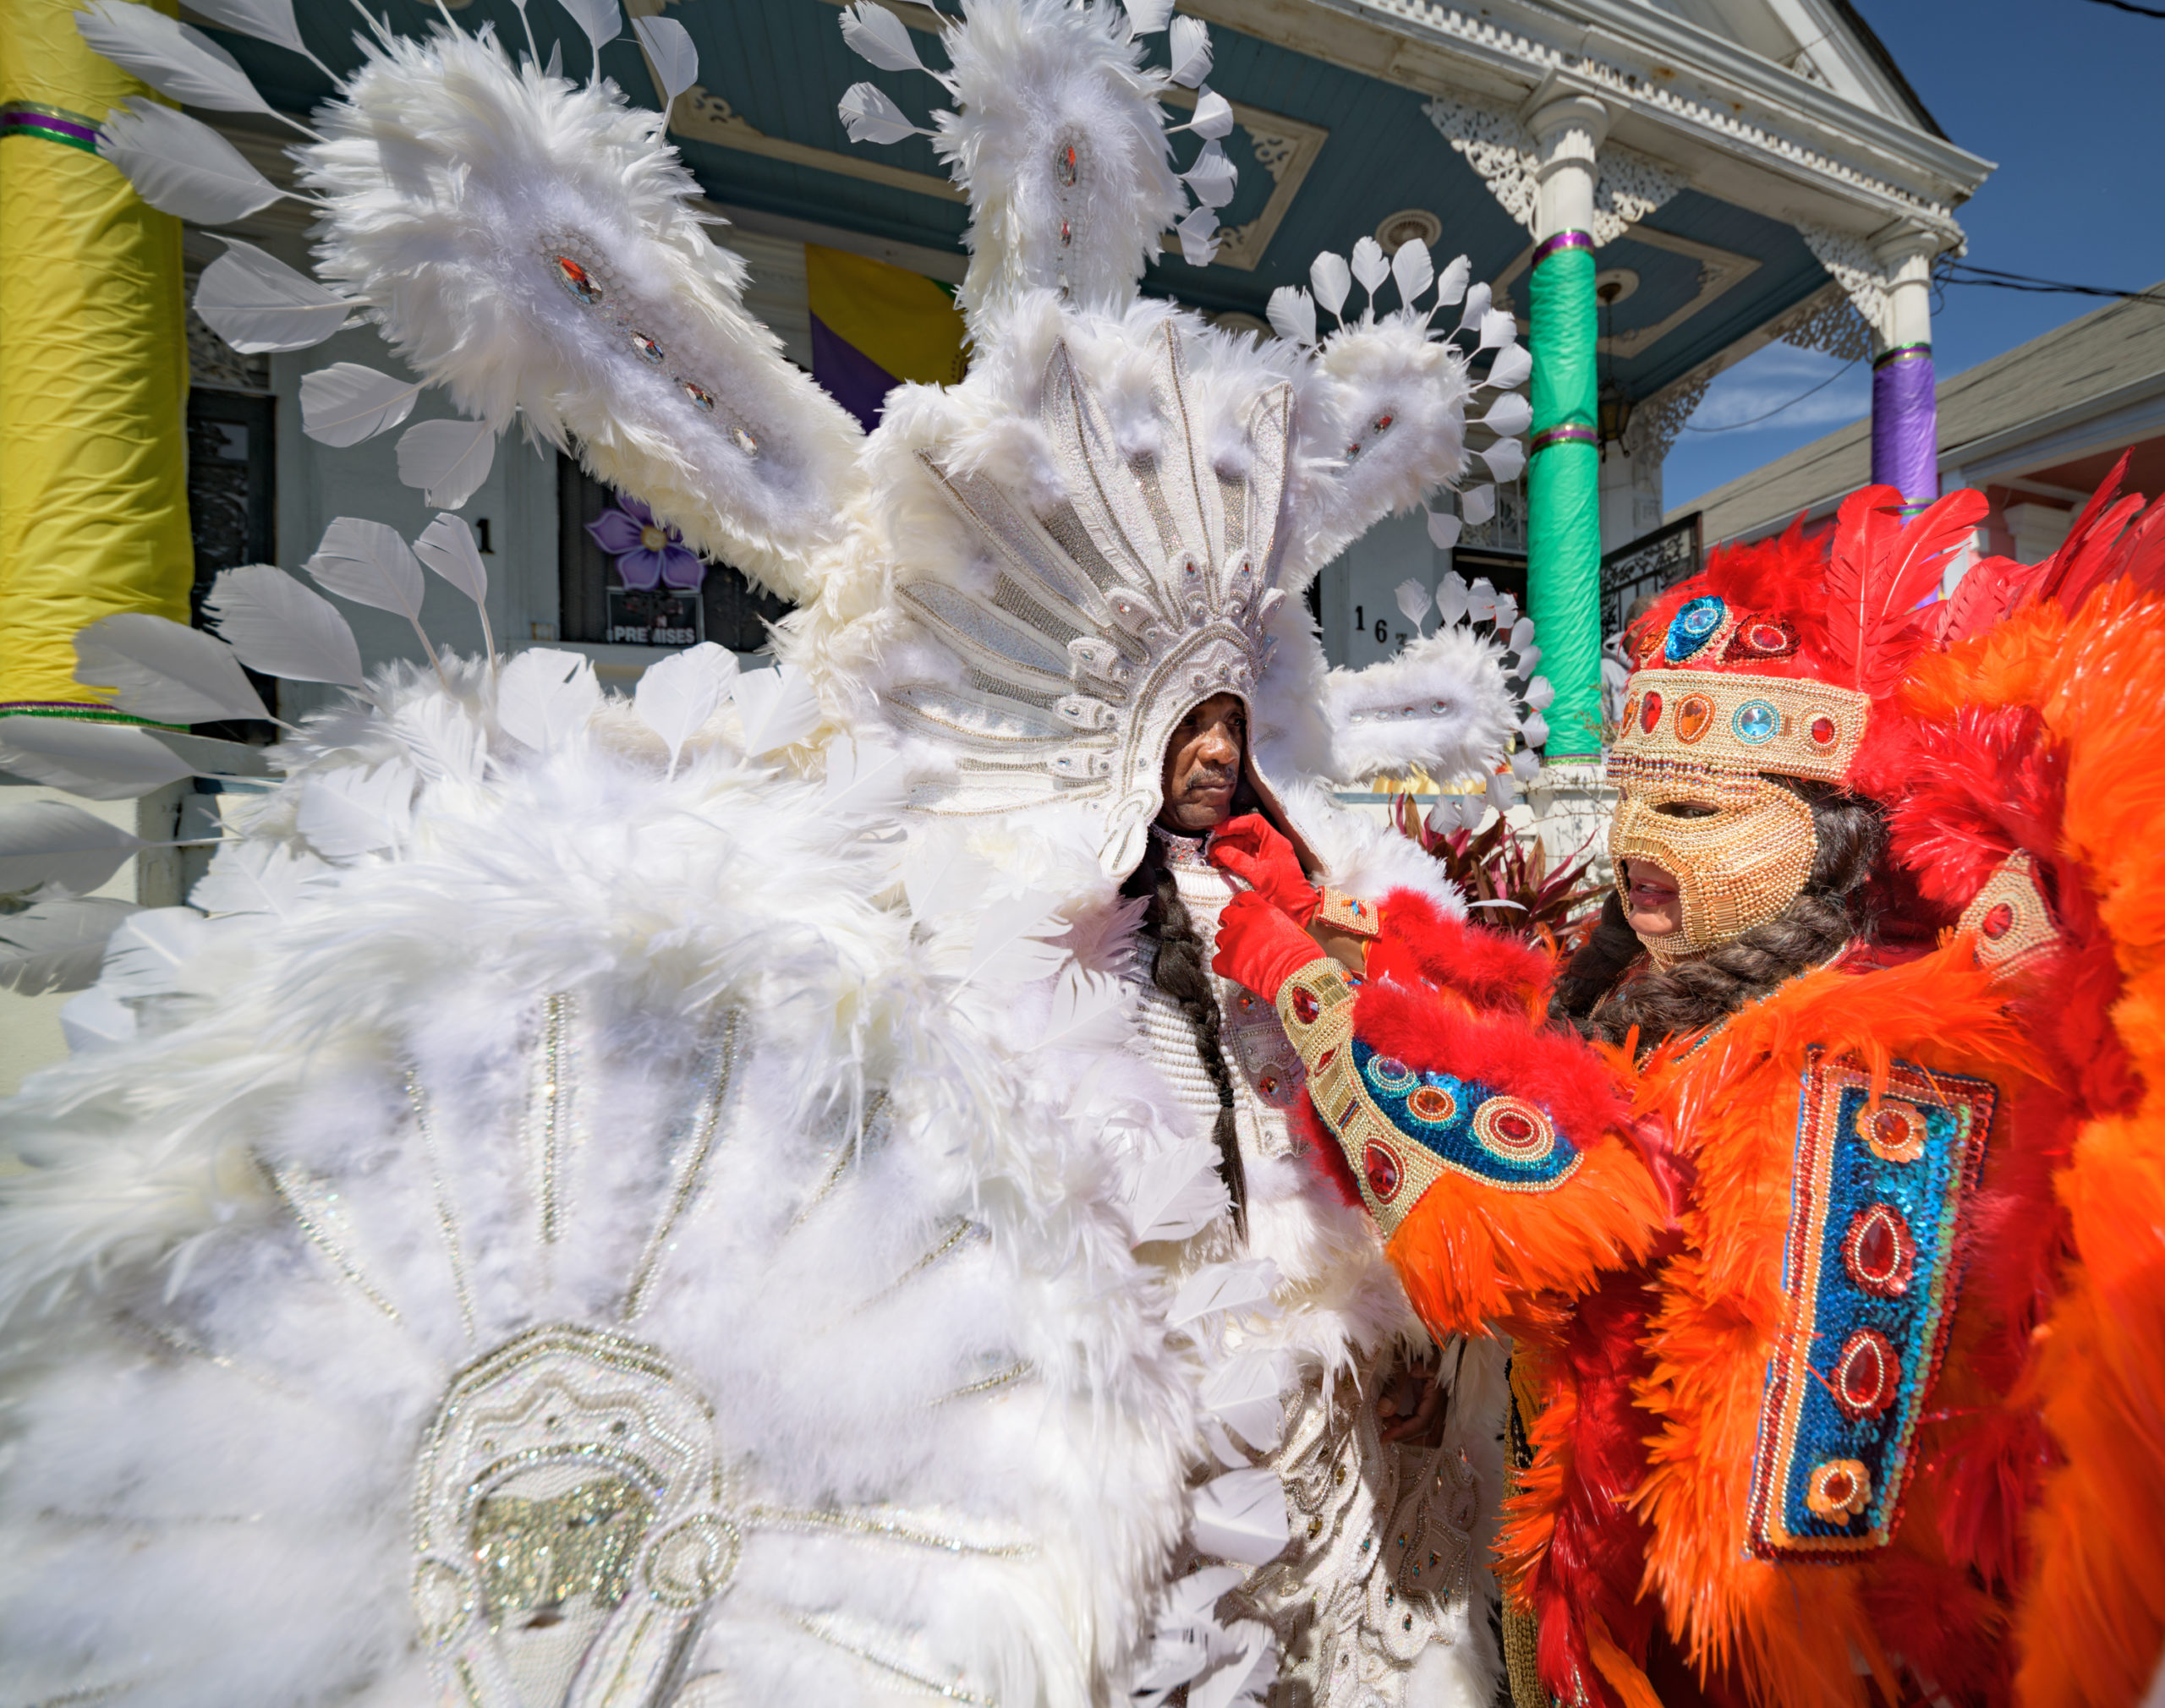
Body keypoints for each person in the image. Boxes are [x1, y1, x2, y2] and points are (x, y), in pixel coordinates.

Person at [1208, 479, 2165, 1708]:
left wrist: (1310, 996)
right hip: (1620, 1586)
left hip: (1758, 1655)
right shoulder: (1720, 997)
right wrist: (1357, 942)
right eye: (1631, 805)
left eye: (1696, 810)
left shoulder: (1859, 1055)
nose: (1640, 850)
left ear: (1829, 838)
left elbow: (1531, 1198)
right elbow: (1562, 1044)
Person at [1126, 691, 1500, 1705]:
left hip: (1354, 1351)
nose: (1213, 750)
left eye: (1231, 723)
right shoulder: (1083, 920)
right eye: (1184, 721)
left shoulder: (1324, 886)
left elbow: (1414, 1095)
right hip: (1182, 1350)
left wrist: (1426, 1336)